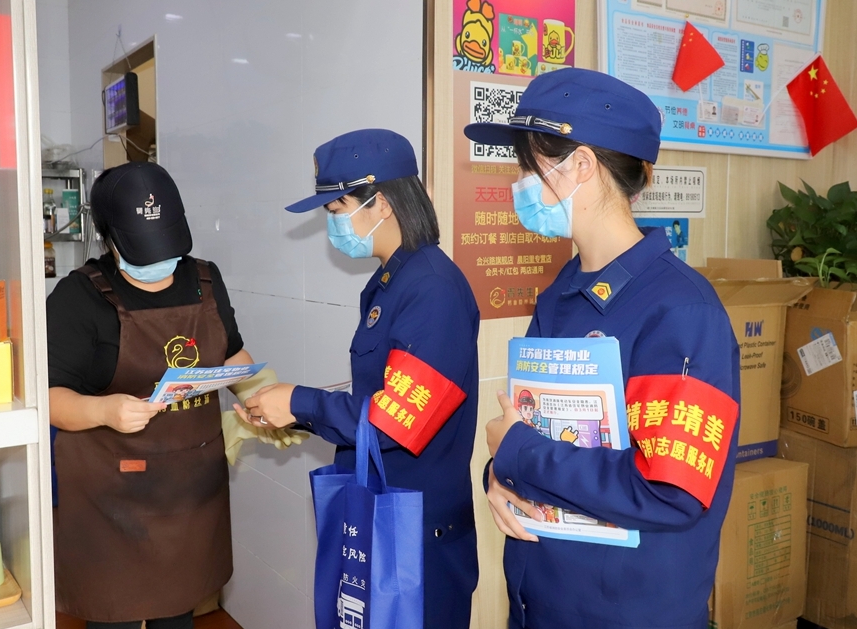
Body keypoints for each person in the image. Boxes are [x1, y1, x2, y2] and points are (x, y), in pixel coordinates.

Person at [463, 68, 740, 628]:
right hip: (542, 599)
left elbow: (670, 491)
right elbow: (536, 431)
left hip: (625, 610)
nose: (520, 184)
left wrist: (518, 454)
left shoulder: (682, 311)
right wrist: (500, 474)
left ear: (582, 165)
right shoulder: (561, 295)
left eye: (529, 167)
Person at [236, 129, 481, 628]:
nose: (333, 223)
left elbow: (397, 420)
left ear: (382, 204)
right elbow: (381, 392)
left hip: (420, 532)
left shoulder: (432, 290)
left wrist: (302, 403)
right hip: (382, 512)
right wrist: (293, 414)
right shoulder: (392, 281)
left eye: (337, 209)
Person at [46, 161, 298, 629]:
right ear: (108, 237)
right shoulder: (77, 297)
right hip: (111, 501)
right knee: (114, 615)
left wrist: (263, 395)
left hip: (188, 493)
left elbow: (231, 354)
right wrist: (102, 409)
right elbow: (50, 397)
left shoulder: (205, 280)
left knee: (178, 613)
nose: (160, 266)